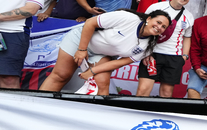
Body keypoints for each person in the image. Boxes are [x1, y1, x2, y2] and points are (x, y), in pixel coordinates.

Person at [39, 10, 171, 95]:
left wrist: (92, 71)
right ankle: (38, 106)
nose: (159, 27)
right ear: (148, 19)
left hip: (102, 54)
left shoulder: (148, 46)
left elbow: (120, 63)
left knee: (102, 82)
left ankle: (99, 119)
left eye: (163, 27)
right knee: (61, 75)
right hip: (80, 41)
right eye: (158, 22)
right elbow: (90, 23)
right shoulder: (128, 18)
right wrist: (82, 49)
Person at [136, 0, 194, 98]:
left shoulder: (189, 16)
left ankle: (161, 116)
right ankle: (137, 116)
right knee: (143, 91)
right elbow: (142, 29)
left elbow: (187, 37)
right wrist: (145, 52)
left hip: (174, 57)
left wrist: (184, 56)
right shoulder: (156, 7)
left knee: (166, 94)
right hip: (153, 55)